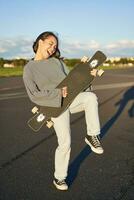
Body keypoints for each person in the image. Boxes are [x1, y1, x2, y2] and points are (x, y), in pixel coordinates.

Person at [23, 31, 104, 191]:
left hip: (71, 100)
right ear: (40, 42)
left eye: (55, 46)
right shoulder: (29, 68)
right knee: (65, 143)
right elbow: (34, 95)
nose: (53, 48)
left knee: (90, 97)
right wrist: (57, 93)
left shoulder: (57, 62)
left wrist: (90, 77)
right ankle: (59, 178)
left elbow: (75, 81)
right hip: (54, 107)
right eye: (50, 43)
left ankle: (92, 135)